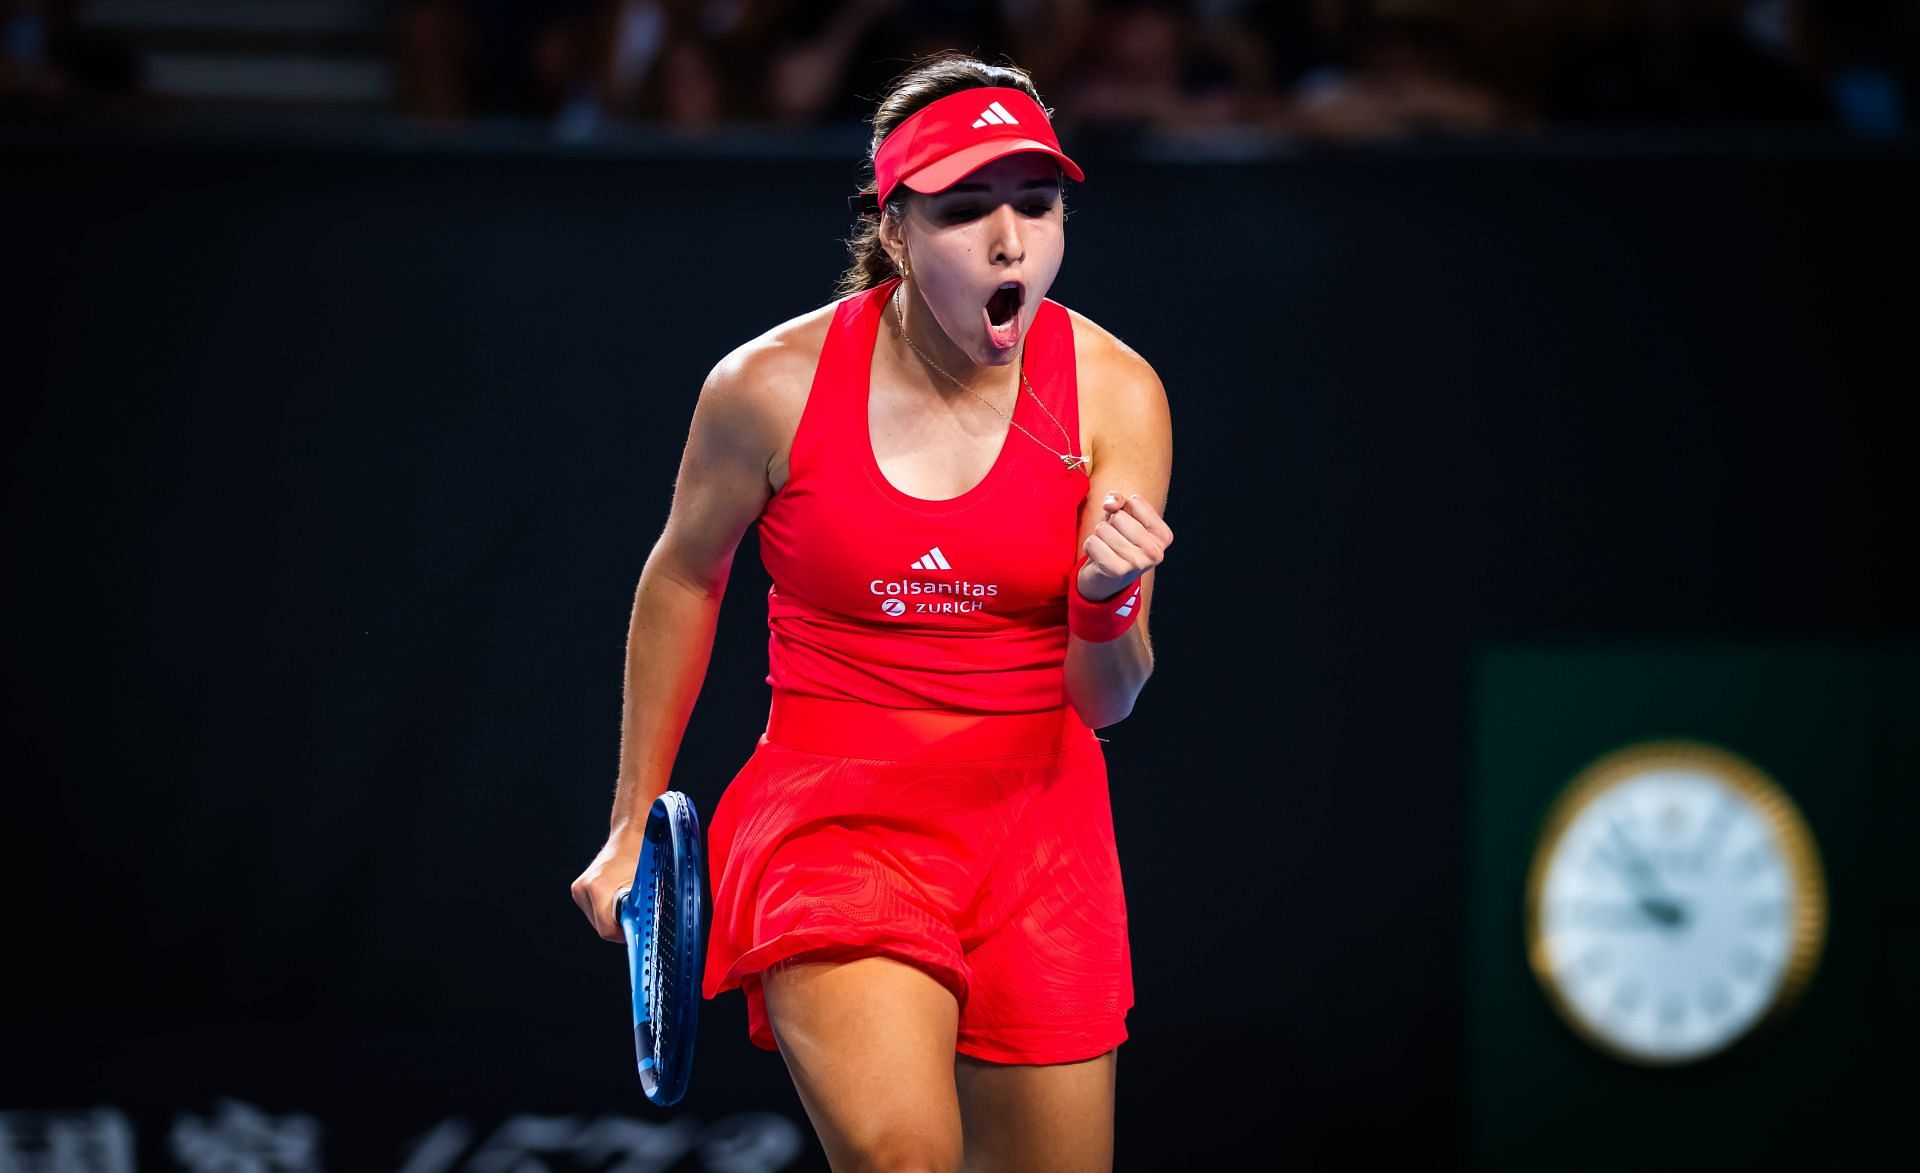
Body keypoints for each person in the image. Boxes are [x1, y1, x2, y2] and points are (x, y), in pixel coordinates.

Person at [569, 51, 1174, 1172]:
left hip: (1043, 837)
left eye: (1037, 207)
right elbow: (684, 576)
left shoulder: (1118, 393)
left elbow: (1111, 700)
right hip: (832, 827)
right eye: (965, 211)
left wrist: (1105, 602)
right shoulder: (766, 388)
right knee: (905, 1162)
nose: (1010, 243)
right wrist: (628, 822)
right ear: (894, 230)